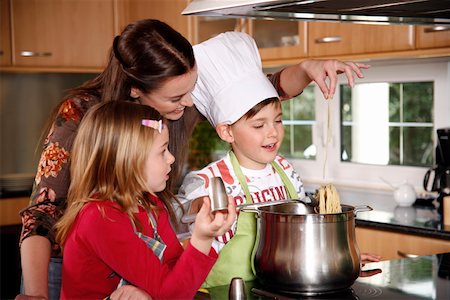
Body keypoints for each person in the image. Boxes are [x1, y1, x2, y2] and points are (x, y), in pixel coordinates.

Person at [17, 18, 370, 299]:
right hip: (72, 268)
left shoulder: (153, 206)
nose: (190, 104)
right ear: (137, 90)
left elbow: (258, 94)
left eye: (193, 90)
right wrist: (35, 294)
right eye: (178, 97)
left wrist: (308, 69)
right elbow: (43, 212)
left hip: (145, 259)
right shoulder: (81, 115)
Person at [177, 32, 380, 288]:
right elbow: (180, 248)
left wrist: (338, 262)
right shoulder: (208, 183)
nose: (272, 132)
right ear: (227, 131)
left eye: (278, 120)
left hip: (278, 289)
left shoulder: (284, 170)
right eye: (259, 125)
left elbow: (304, 237)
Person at [54, 101, 236, 299]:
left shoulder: (151, 205)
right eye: (162, 151)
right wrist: (202, 239)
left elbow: (176, 275)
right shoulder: (100, 218)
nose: (171, 159)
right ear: (128, 160)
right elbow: (171, 295)